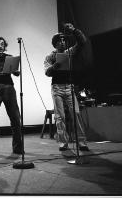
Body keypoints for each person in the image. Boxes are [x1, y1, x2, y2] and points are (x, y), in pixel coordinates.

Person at [44, 23, 89, 152]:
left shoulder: (69, 52)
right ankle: (63, 142)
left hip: (69, 87)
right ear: (55, 44)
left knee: (76, 113)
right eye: (60, 41)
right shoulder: (50, 56)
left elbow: (82, 42)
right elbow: (47, 72)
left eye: (64, 40)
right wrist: (54, 66)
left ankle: (81, 141)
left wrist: (74, 30)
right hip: (57, 88)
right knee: (60, 116)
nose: (62, 42)